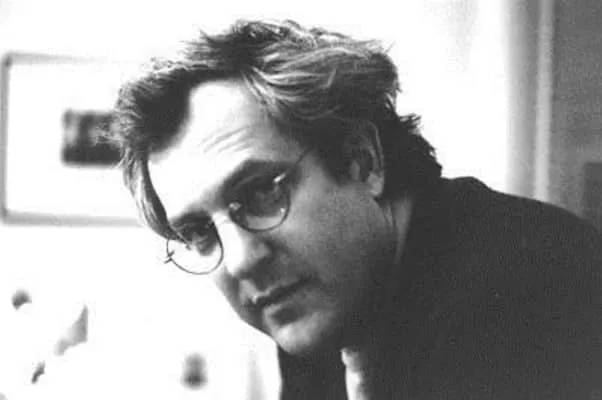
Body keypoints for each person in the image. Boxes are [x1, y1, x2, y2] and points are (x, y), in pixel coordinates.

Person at [107, 19, 602, 399]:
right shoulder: (321, 306)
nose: (240, 261)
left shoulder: (531, 289)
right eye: (199, 232)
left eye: (261, 194)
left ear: (362, 161)